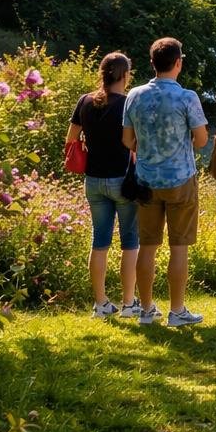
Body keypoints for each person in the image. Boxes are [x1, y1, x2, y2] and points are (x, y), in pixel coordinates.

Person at [123, 37, 209, 327]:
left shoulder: (134, 95)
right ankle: (177, 311)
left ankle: (146, 311)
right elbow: (201, 140)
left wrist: (148, 147)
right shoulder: (187, 98)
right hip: (181, 179)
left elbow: (127, 140)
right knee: (179, 247)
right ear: (178, 63)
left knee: (147, 245)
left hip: (145, 180)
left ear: (152, 64)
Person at [67, 52, 139, 319]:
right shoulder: (127, 103)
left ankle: (100, 303)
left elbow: (71, 137)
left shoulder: (85, 101)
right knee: (130, 242)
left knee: (100, 242)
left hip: (93, 179)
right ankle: (129, 303)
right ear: (125, 75)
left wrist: (90, 139)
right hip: (122, 179)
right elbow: (131, 142)